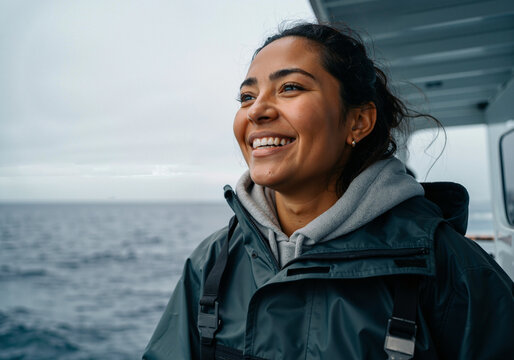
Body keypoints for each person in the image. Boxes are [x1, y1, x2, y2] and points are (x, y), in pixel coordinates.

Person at [143, 23, 514, 360]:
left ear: (358, 121)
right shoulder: (212, 263)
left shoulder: (452, 270)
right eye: (246, 96)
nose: (256, 110)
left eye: (290, 87)